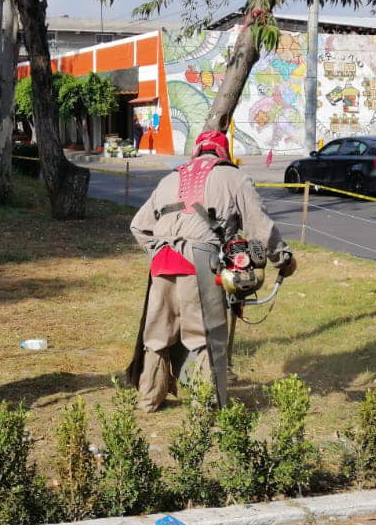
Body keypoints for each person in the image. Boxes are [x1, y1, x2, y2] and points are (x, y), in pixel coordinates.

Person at [126, 129, 296, 411]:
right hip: (201, 262)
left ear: (196, 152)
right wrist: (283, 259)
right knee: (203, 335)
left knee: (156, 334)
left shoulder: (171, 177)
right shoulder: (234, 177)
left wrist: (157, 251)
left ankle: (148, 400)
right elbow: (259, 226)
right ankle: (204, 407)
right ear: (223, 153)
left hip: (162, 262)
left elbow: (138, 225)